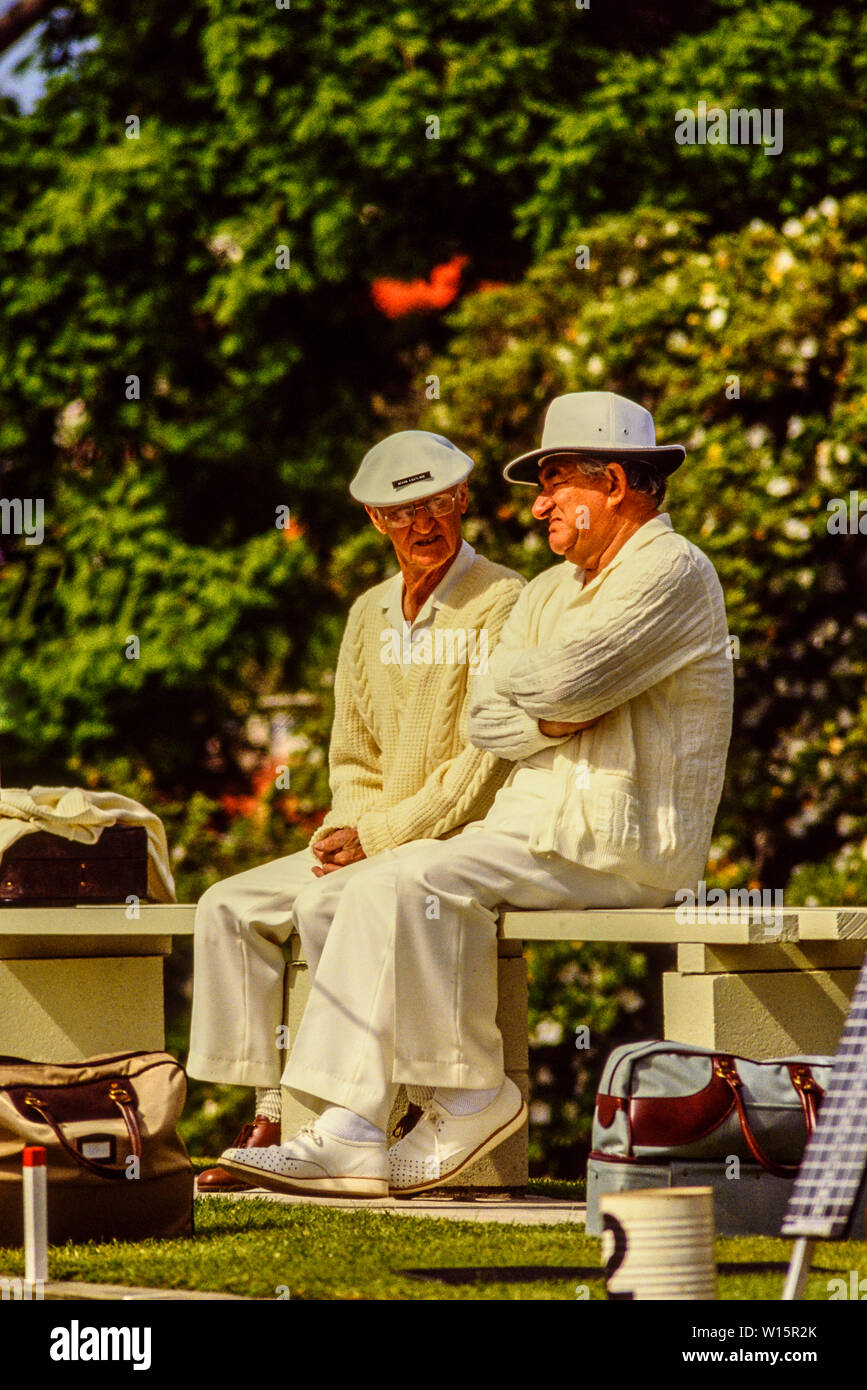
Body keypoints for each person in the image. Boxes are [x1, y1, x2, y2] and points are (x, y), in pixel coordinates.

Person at [218, 390, 734, 1198]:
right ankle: (349, 1124)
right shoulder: (550, 591)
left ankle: (468, 1094)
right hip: (529, 834)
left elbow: (565, 682)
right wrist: (550, 708)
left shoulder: (671, 569)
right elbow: (492, 715)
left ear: (612, 482)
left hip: (620, 847)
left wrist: (548, 695)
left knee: (410, 879)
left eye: (554, 483)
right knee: (332, 900)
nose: (538, 507)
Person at [188, 430, 524, 1189]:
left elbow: (482, 763)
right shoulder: (368, 614)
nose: (423, 525)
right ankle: (273, 1110)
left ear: (463, 499)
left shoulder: (502, 599)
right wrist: (351, 830)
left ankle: (348, 1124)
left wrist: (378, 837)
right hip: (377, 838)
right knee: (227, 906)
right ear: (376, 521)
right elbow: (353, 757)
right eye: (402, 514)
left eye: (437, 504)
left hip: (454, 839)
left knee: (332, 902)